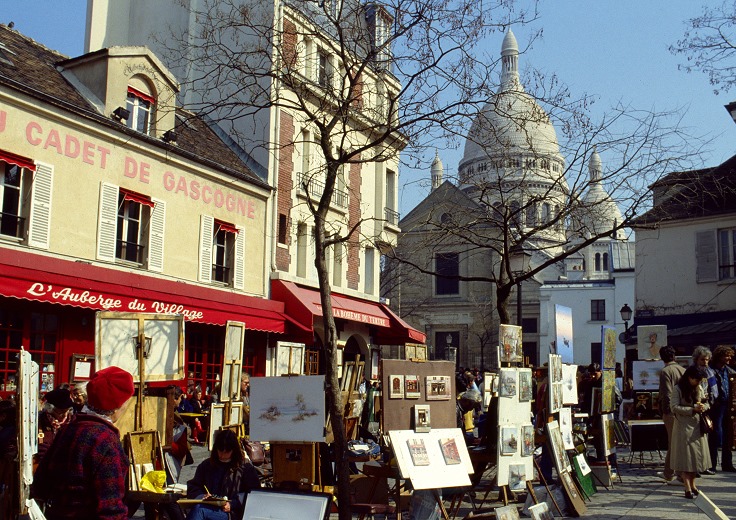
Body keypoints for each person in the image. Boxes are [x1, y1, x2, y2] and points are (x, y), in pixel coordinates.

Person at [31, 366, 135, 520]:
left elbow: (40, 485)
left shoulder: (68, 429)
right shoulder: (105, 439)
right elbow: (111, 508)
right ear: (118, 406)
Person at [185, 429, 260, 520]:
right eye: (220, 451)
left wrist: (233, 504)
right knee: (196, 509)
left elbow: (254, 493)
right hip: (209, 507)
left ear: (234, 450)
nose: (222, 455)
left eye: (227, 452)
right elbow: (194, 486)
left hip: (232, 513)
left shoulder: (245, 467)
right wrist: (202, 496)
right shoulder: (207, 465)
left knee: (199, 511)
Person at [670, 365, 711, 499]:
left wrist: (703, 406)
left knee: (695, 460)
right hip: (684, 427)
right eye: (696, 380)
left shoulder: (698, 387)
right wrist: (692, 409)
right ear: (689, 377)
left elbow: (706, 402)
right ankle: (687, 487)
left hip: (697, 427)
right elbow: (674, 407)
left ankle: (693, 485)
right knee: (686, 459)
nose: (698, 382)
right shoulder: (677, 389)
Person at [658, 346, 685, 483]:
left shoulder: (665, 371)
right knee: (678, 442)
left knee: (673, 442)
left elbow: (667, 393)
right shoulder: (682, 370)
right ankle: (670, 471)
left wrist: (667, 410)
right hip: (683, 409)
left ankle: (672, 473)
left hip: (671, 411)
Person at [709, 346, 736, 472]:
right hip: (717, 405)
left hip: (728, 405)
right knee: (715, 434)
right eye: (727, 356)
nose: (729, 358)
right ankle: (712, 464)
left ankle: (727, 463)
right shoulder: (711, 371)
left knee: (728, 434)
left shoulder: (729, 371)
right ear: (720, 356)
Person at [36, 388, 74, 464]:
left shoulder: (73, 421)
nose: (65, 414)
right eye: (61, 411)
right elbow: (41, 447)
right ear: (50, 409)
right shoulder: (40, 421)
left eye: (67, 410)